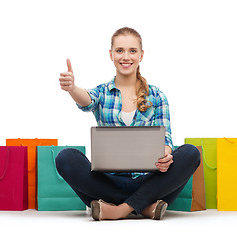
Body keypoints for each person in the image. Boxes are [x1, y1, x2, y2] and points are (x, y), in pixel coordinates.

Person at [56, 27, 200, 220]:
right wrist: (72, 88)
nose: (126, 57)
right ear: (111, 54)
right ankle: (144, 206)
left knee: (191, 153)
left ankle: (118, 210)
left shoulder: (157, 96)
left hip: (149, 179)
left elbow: (166, 141)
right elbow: (86, 100)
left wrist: (166, 155)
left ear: (141, 55)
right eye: (120, 50)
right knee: (65, 157)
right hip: (109, 181)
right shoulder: (103, 92)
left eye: (132, 51)